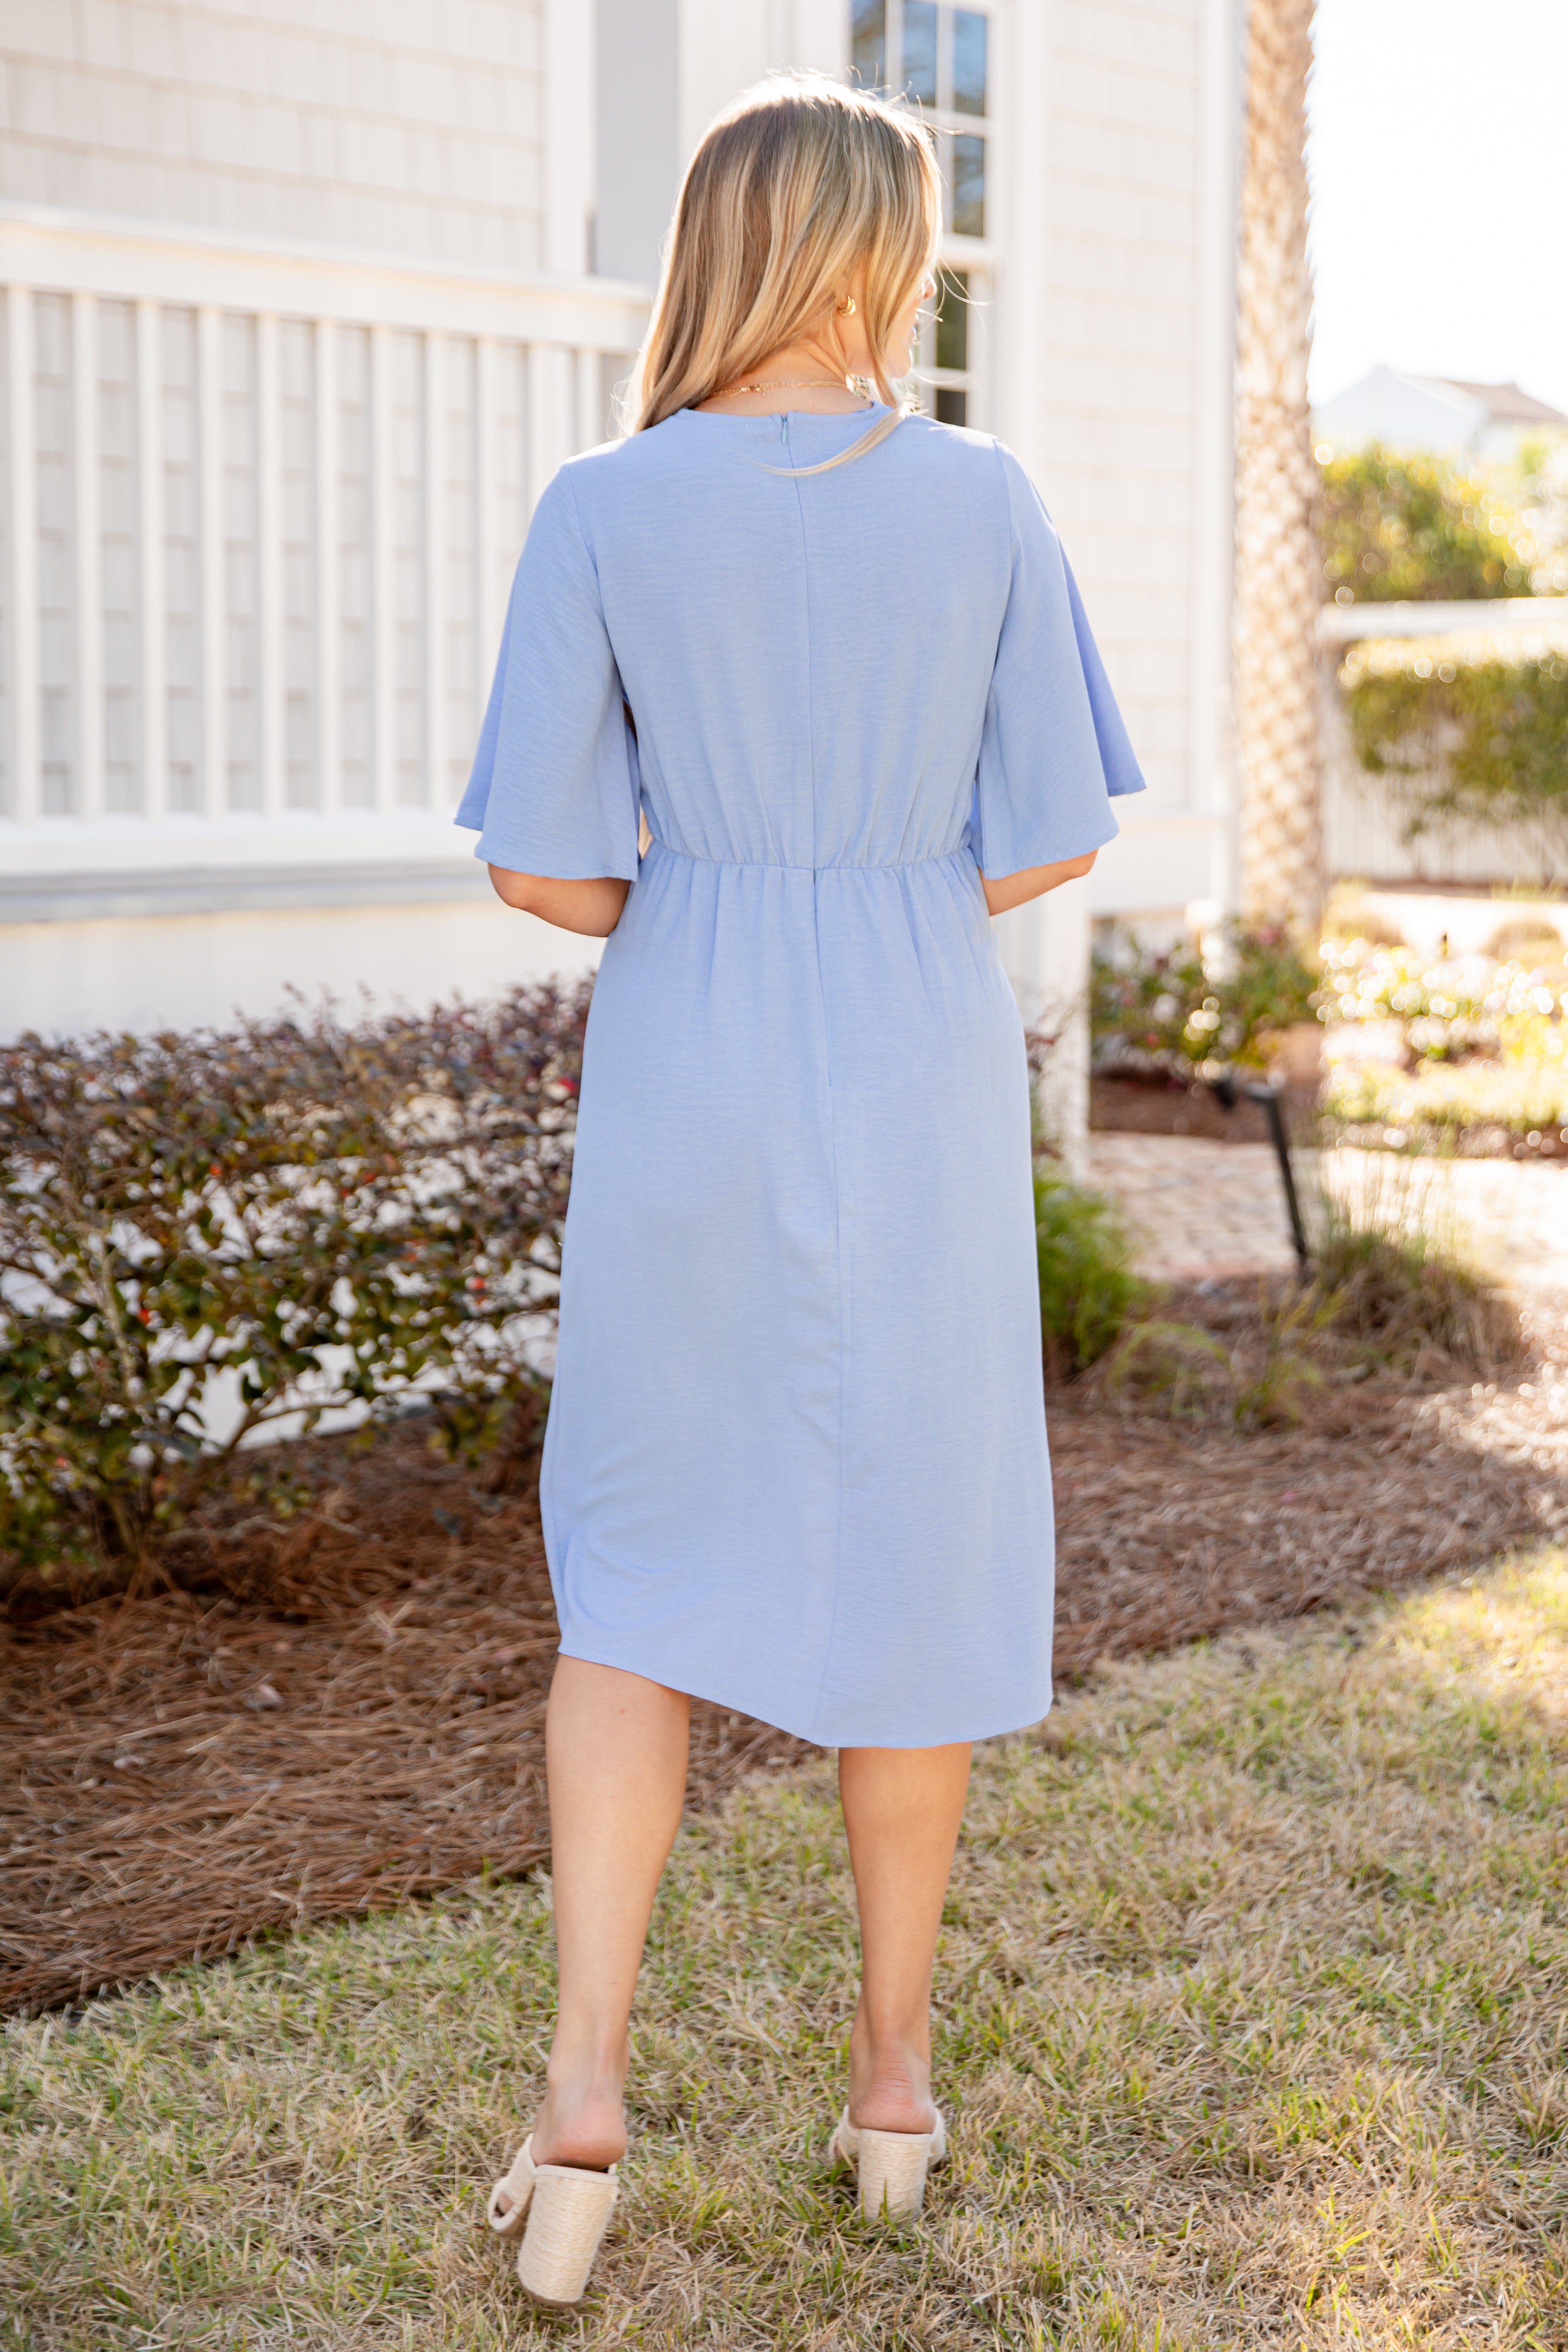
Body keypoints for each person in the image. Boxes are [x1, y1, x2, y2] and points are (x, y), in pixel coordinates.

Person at [457, 72, 1144, 2308]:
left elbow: (545, 861)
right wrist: (868, 879)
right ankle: (888, 2085)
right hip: (914, 1040)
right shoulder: (982, 499)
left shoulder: (601, 502)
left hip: (689, 1044)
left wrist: (725, 879)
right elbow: (1050, 828)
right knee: (908, 1540)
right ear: (880, 252)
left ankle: (580, 2096)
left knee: (636, 1563)